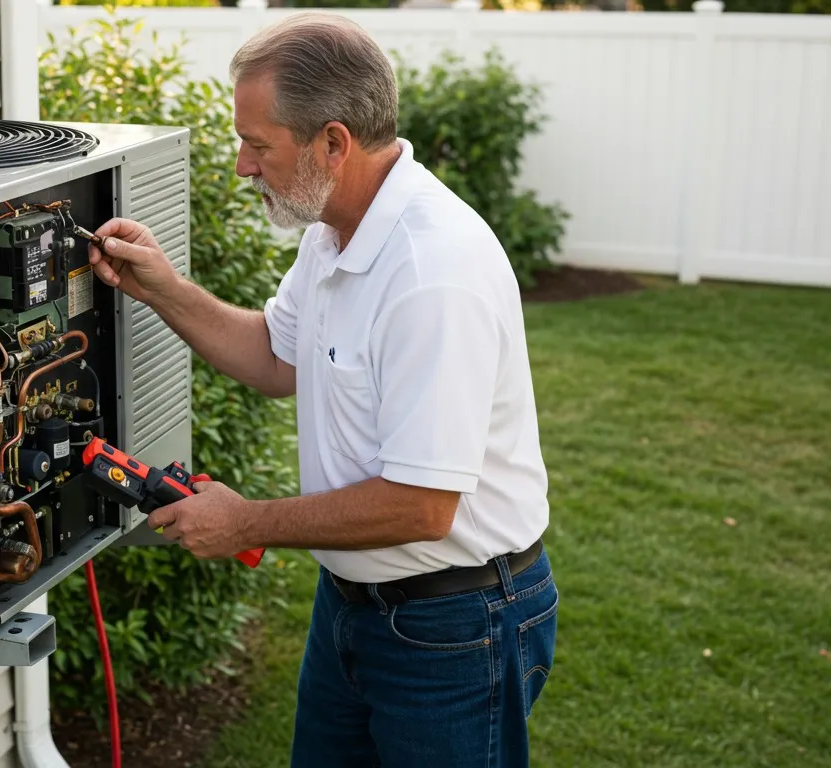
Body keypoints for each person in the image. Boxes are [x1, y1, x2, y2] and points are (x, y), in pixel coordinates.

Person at [84, 11, 557, 768]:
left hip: (456, 625)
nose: (243, 165)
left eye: (257, 144)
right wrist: (163, 290)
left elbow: (422, 505)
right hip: (352, 604)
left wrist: (247, 523)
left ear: (333, 143)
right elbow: (279, 356)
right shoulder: (333, 231)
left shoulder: (432, 273)